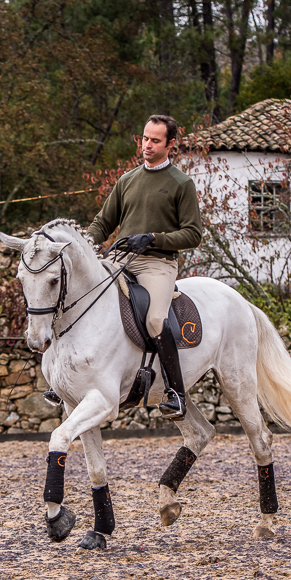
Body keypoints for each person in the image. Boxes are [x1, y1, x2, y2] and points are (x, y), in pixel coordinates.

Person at [45, 114, 203, 419]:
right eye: (145, 138)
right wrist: (82, 249)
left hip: (156, 264)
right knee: (75, 301)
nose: (147, 145)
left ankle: (175, 393)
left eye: (155, 140)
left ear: (170, 144)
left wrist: (154, 238)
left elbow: (193, 233)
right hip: (118, 260)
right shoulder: (127, 180)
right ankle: (62, 380)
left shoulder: (182, 184)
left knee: (156, 319)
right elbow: (103, 223)